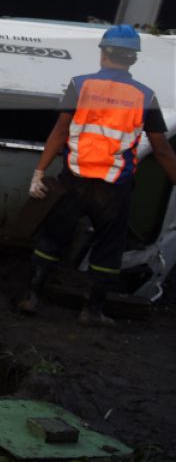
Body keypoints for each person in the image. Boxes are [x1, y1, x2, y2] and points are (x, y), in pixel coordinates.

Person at [19, 24, 176, 326]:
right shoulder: (145, 96)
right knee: (109, 248)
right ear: (132, 59)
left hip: (73, 180)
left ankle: (32, 297)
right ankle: (91, 311)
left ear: (104, 54)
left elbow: (60, 131)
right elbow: (162, 150)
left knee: (53, 238)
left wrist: (39, 172)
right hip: (114, 187)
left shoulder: (80, 86)